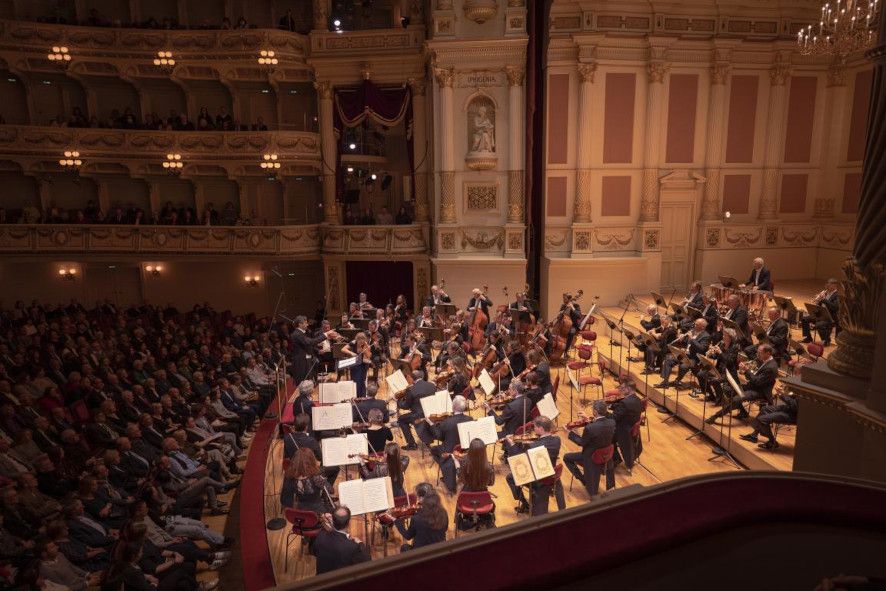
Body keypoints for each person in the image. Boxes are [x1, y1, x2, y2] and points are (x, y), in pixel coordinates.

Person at [706, 344, 779, 424]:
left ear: (768, 353)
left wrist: (747, 370)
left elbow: (757, 382)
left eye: (760, 352)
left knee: (736, 399)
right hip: (753, 386)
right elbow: (755, 377)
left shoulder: (771, 367)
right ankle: (743, 412)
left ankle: (715, 416)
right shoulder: (765, 361)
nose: (758, 354)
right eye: (757, 352)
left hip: (760, 391)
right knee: (729, 390)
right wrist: (748, 371)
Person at [504, 416, 563, 515]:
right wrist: (532, 442)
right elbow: (544, 444)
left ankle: (525, 504)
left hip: (538, 477)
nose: (533, 429)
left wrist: (512, 444)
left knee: (510, 478)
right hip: (550, 473)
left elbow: (518, 458)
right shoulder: (557, 440)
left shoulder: (534, 446)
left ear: (541, 429)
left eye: (535, 427)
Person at [563, 400, 616, 497]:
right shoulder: (612, 422)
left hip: (591, 457)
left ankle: (583, 480)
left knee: (566, 457)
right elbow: (599, 428)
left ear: (595, 412)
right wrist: (588, 420)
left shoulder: (590, 428)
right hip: (607, 454)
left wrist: (569, 433)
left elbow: (581, 442)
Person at [430, 395, 474, 494]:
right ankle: (453, 468)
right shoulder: (470, 419)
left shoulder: (446, 422)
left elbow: (440, 437)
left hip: (449, 451)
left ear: (453, 407)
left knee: (433, 450)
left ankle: (447, 469)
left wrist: (432, 425)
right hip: (465, 450)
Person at [655, 318, 710, 390]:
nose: (694, 325)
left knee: (683, 366)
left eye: (697, 324)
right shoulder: (693, 331)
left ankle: (677, 380)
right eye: (695, 323)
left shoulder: (706, 336)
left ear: (703, 327)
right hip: (685, 354)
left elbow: (702, 349)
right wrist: (681, 339)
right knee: (668, 359)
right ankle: (665, 382)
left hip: (694, 358)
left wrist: (692, 339)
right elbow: (686, 342)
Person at [313, 506, 371, 574]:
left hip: (321, 580)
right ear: (348, 523)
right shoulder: (353, 547)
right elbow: (367, 563)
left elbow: (314, 551)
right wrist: (361, 543)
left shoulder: (321, 535)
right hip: (341, 581)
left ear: (333, 520)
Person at [280, 447, 332, 512]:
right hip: (318, 510)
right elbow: (331, 490)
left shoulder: (289, 476)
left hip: (301, 509)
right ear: (312, 460)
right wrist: (324, 481)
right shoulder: (316, 476)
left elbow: (285, 500)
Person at [396, 370, 435, 451]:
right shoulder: (432, 385)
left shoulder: (411, 389)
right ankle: (427, 438)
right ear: (422, 376)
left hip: (418, 416)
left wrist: (398, 401)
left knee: (401, 419)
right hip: (431, 414)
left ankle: (411, 444)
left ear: (412, 378)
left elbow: (406, 406)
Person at [290, 315, 334, 384]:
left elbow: (309, 344)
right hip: (301, 362)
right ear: (300, 324)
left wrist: (317, 349)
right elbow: (310, 342)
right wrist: (326, 334)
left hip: (307, 360)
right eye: (305, 323)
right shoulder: (297, 334)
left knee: (308, 381)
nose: (307, 324)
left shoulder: (301, 333)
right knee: (303, 382)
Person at [610, 384, 643, 473]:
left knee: (606, 437)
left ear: (628, 388)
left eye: (622, 388)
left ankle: (616, 459)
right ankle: (616, 459)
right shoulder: (637, 399)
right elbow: (627, 410)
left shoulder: (624, 403)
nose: (620, 390)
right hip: (631, 426)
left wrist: (604, 412)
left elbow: (614, 417)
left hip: (623, 430)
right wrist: (615, 406)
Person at [801, 278, 841, 346]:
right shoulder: (825, 293)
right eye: (827, 283)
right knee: (804, 319)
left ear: (834, 285)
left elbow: (835, 307)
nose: (827, 285)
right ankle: (808, 338)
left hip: (829, 318)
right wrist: (818, 300)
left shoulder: (837, 295)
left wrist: (824, 300)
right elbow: (820, 305)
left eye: (829, 284)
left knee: (819, 324)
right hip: (820, 315)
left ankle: (826, 340)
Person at [340, 332, 370, 398]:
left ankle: (362, 397)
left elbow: (369, 356)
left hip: (362, 365)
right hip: (354, 364)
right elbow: (343, 349)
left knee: (361, 381)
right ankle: (355, 396)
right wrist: (351, 353)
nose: (361, 343)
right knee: (354, 381)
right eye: (359, 341)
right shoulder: (353, 342)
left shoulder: (365, 344)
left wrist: (364, 350)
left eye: (363, 341)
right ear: (357, 340)